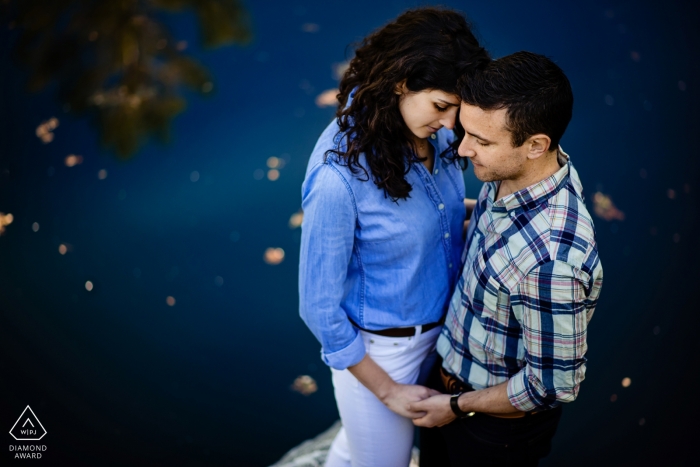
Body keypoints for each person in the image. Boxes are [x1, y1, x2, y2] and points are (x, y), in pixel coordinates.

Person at [298, 7, 489, 467]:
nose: (450, 126)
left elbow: (438, 215)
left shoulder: (432, 131)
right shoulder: (337, 179)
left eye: (457, 112)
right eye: (442, 106)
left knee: (363, 449)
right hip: (386, 355)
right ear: (402, 81)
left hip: (443, 332)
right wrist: (388, 391)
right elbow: (318, 308)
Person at [410, 51, 604, 466]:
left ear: (536, 145)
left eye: (480, 141)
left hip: (492, 431)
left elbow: (551, 386)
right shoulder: (514, 171)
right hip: (449, 375)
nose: (463, 150)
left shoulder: (554, 265)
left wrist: (458, 406)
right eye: (466, 132)